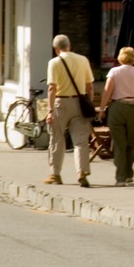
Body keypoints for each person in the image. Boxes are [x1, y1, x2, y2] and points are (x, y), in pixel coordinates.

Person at [98, 46, 134, 186]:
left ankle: (120, 177)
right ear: (133, 58)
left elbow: (107, 92)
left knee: (119, 143)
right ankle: (129, 173)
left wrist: (102, 109)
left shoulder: (114, 72)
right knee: (130, 141)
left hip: (118, 106)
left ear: (120, 57)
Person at [46, 34, 95, 188]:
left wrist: (49, 110)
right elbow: (90, 86)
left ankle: (56, 174)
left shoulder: (54, 62)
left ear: (56, 49)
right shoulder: (83, 60)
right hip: (79, 102)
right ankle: (82, 172)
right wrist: (89, 102)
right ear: (70, 46)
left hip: (61, 102)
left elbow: (52, 88)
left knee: (57, 139)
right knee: (81, 141)